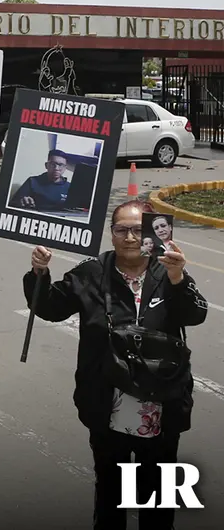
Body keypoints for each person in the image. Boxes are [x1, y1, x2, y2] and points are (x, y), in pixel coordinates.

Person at [24, 200, 207, 530]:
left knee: (158, 503)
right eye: (121, 229)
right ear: (111, 234)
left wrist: (178, 276)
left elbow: (196, 314)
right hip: (106, 405)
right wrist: (40, 271)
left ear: (151, 232)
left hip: (161, 407)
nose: (130, 237)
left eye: (138, 229)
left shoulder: (168, 269)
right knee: (110, 498)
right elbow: (50, 307)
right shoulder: (92, 272)